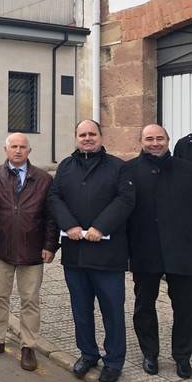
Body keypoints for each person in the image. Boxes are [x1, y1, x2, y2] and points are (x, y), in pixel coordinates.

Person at [48, 119, 135, 382]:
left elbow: (125, 200)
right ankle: (87, 353)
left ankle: (114, 360)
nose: (87, 138)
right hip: (75, 254)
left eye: (92, 134)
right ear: (75, 137)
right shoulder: (65, 166)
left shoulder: (118, 167)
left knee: (113, 311)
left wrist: (100, 226)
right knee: (80, 310)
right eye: (82, 134)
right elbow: (54, 197)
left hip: (108, 255)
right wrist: (69, 224)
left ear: (100, 136)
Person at [0, 133, 58, 371]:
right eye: (13, 146)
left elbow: (51, 216)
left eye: (22, 147)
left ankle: (28, 346)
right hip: (1, 249)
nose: (17, 150)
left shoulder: (44, 179)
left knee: (30, 301)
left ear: (29, 150)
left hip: (33, 250)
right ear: (5, 149)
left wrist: (49, 245)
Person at [125, 124, 192, 379]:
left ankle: (183, 356)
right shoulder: (129, 170)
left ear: (168, 140)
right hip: (145, 251)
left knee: (186, 308)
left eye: (160, 138)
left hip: (182, 252)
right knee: (144, 306)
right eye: (150, 139)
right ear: (141, 141)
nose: (155, 143)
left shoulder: (187, 170)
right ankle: (149, 352)